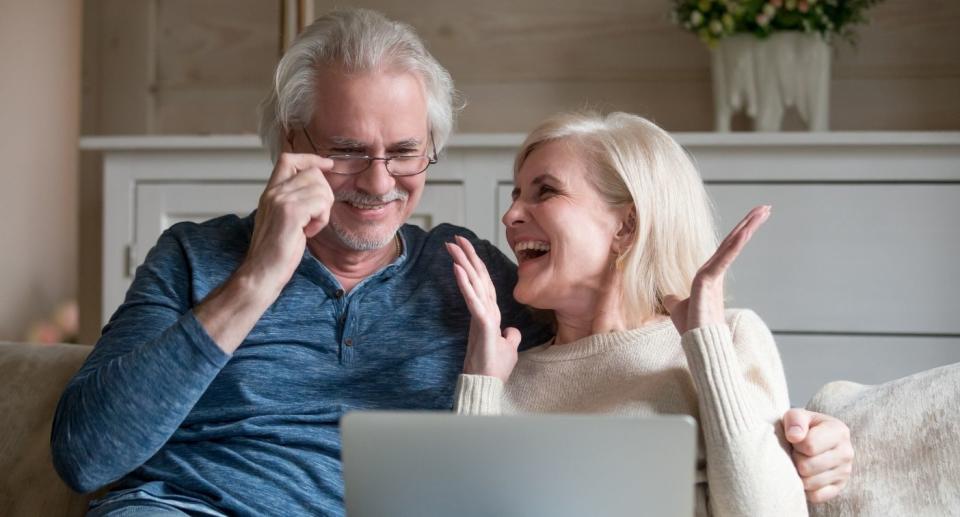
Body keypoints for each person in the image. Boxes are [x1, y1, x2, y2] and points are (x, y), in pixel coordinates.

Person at [50, 8, 851, 516]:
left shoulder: (480, 284)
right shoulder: (195, 256)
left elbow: (608, 346)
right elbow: (87, 456)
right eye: (345, 152)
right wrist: (258, 277)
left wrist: (817, 439)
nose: (376, 182)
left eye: (404, 153)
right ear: (291, 147)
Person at [448, 111, 845, 515]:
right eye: (516, 195)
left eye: (544, 192)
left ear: (626, 227)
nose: (510, 215)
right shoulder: (505, 373)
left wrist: (707, 346)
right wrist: (480, 384)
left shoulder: (728, 337)